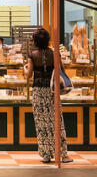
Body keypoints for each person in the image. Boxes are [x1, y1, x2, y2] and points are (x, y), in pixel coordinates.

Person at [24, 28, 73, 164]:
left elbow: (28, 75)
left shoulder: (32, 55)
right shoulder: (54, 53)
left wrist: (25, 69)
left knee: (42, 124)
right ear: (47, 40)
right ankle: (63, 154)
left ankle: (46, 155)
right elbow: (62, 70)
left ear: (35, 41)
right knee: (57, 121)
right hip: (52, 90)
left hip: (38, 91)